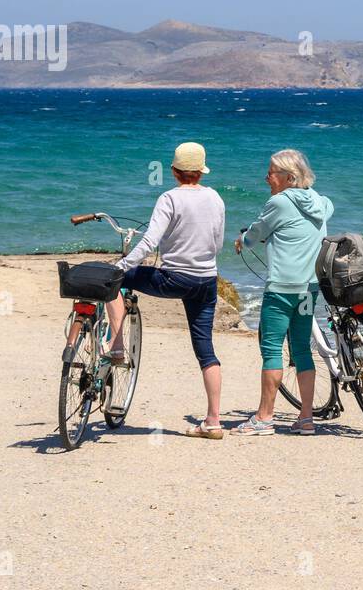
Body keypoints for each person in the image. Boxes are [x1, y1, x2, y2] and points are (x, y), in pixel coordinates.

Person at [106, 142, 227, 440]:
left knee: (116, 281)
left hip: (174, 278)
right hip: (207, 280)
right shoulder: (215, 197)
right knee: (205, 350)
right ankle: (213, 421)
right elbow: (218, 242)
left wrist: (123, 264)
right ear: (200, 171)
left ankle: (118, 345)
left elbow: (149, 241)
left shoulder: (169, 198)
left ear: (174, 171)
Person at [233, 149, 333, 436]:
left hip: (282, 288)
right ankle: (306, 418)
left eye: (271, 172)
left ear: (289, 178)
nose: (266, 177)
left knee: (272, 349)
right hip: (308, 288)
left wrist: (242, 240)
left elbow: (257, 233)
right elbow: (328, 207)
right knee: (302, 349)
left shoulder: (279, 202)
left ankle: (264, 418)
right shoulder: (319, 201)